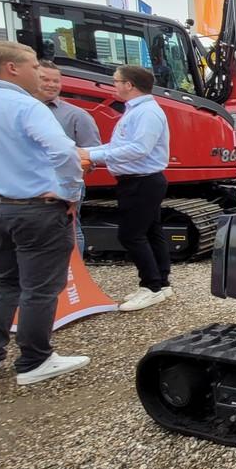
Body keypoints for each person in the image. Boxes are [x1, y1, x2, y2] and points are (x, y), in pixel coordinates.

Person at [0, 41, 90, 386]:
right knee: (40, 288)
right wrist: (70, 191)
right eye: (33, 66)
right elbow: (63, 152)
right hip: (36, 208)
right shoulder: (25, 106)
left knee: (3, 281)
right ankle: (35, 360)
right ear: (11, 68)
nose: (40, 74)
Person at [79, 65, 173, 311]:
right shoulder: (138, 111)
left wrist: (91, 154)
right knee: (151, 231)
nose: (114, 85)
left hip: (141, 180)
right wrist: (93, 152)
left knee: (131, 235)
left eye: (116, 81)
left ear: (129, 85)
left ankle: (152, 286)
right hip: (141, 180)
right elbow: (121, 145)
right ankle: (161, 283)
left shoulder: (145, 113)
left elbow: (138, 149)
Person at [35, 60, 101, 254]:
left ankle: (75, 277)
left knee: (71, 229)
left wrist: (74, 180)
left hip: (63, 184)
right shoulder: (19, 110)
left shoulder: (77, 115)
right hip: (27, 184)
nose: (51, 85)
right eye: (45, 79)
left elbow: (92, 153)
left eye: (56, 80)